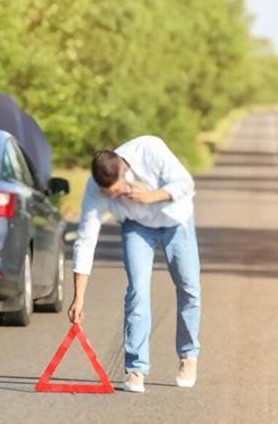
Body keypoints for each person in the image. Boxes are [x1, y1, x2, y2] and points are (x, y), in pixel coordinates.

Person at [68, 135, 201, 393]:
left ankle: (188, 355)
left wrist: (152, 196)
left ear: (124, 169)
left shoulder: (149, 149)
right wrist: (78, 298)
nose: (115, 196)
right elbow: (85, 241)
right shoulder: (95, 190)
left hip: (175, 219)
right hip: (136, 227)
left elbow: (186, 183)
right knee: (137, 290)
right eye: (109, 195)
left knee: (189, 287)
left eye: (117, 191)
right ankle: (136, 369)